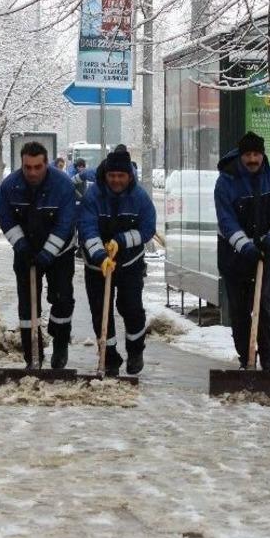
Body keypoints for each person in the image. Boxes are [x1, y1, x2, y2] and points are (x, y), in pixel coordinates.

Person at [214, 131, 270, 371]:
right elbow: (226, 221)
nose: (252, 159)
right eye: (248, 154)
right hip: (234, 256)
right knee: (239, 311)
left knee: (263, 306)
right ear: (240, 155)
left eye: (256, 154)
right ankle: (246, 359)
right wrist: (245, 246)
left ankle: (268, 359)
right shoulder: (226, 182)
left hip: (265, 253)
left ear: (262, 155)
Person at [77, 147, 157, 375]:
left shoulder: (139, 197)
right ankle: (109, 356)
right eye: (112, 175)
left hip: (130, 263)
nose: (116, 180)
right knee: (101, 310)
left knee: (131, 308)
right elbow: (86, 228)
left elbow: (147, 229)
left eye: (121, 176)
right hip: (97, 265)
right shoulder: (93, 196)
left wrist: (121, 241)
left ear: (129, 176)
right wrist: (101, 256)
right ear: (105, 175)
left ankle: (135, 351)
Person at [0, 141, 78, 369]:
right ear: (21, 165)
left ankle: (60, 342)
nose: (32, 172)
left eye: (37, 167)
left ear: (46, 164)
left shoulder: (62, 185)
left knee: (62, 299)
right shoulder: (10, 186)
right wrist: (21, 245)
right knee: (27, 307)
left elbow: (65, 224)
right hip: (25, 251)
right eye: (27, 167)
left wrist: (47, 253)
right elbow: (6, 218)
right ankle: (32, 356)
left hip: (59, 252)